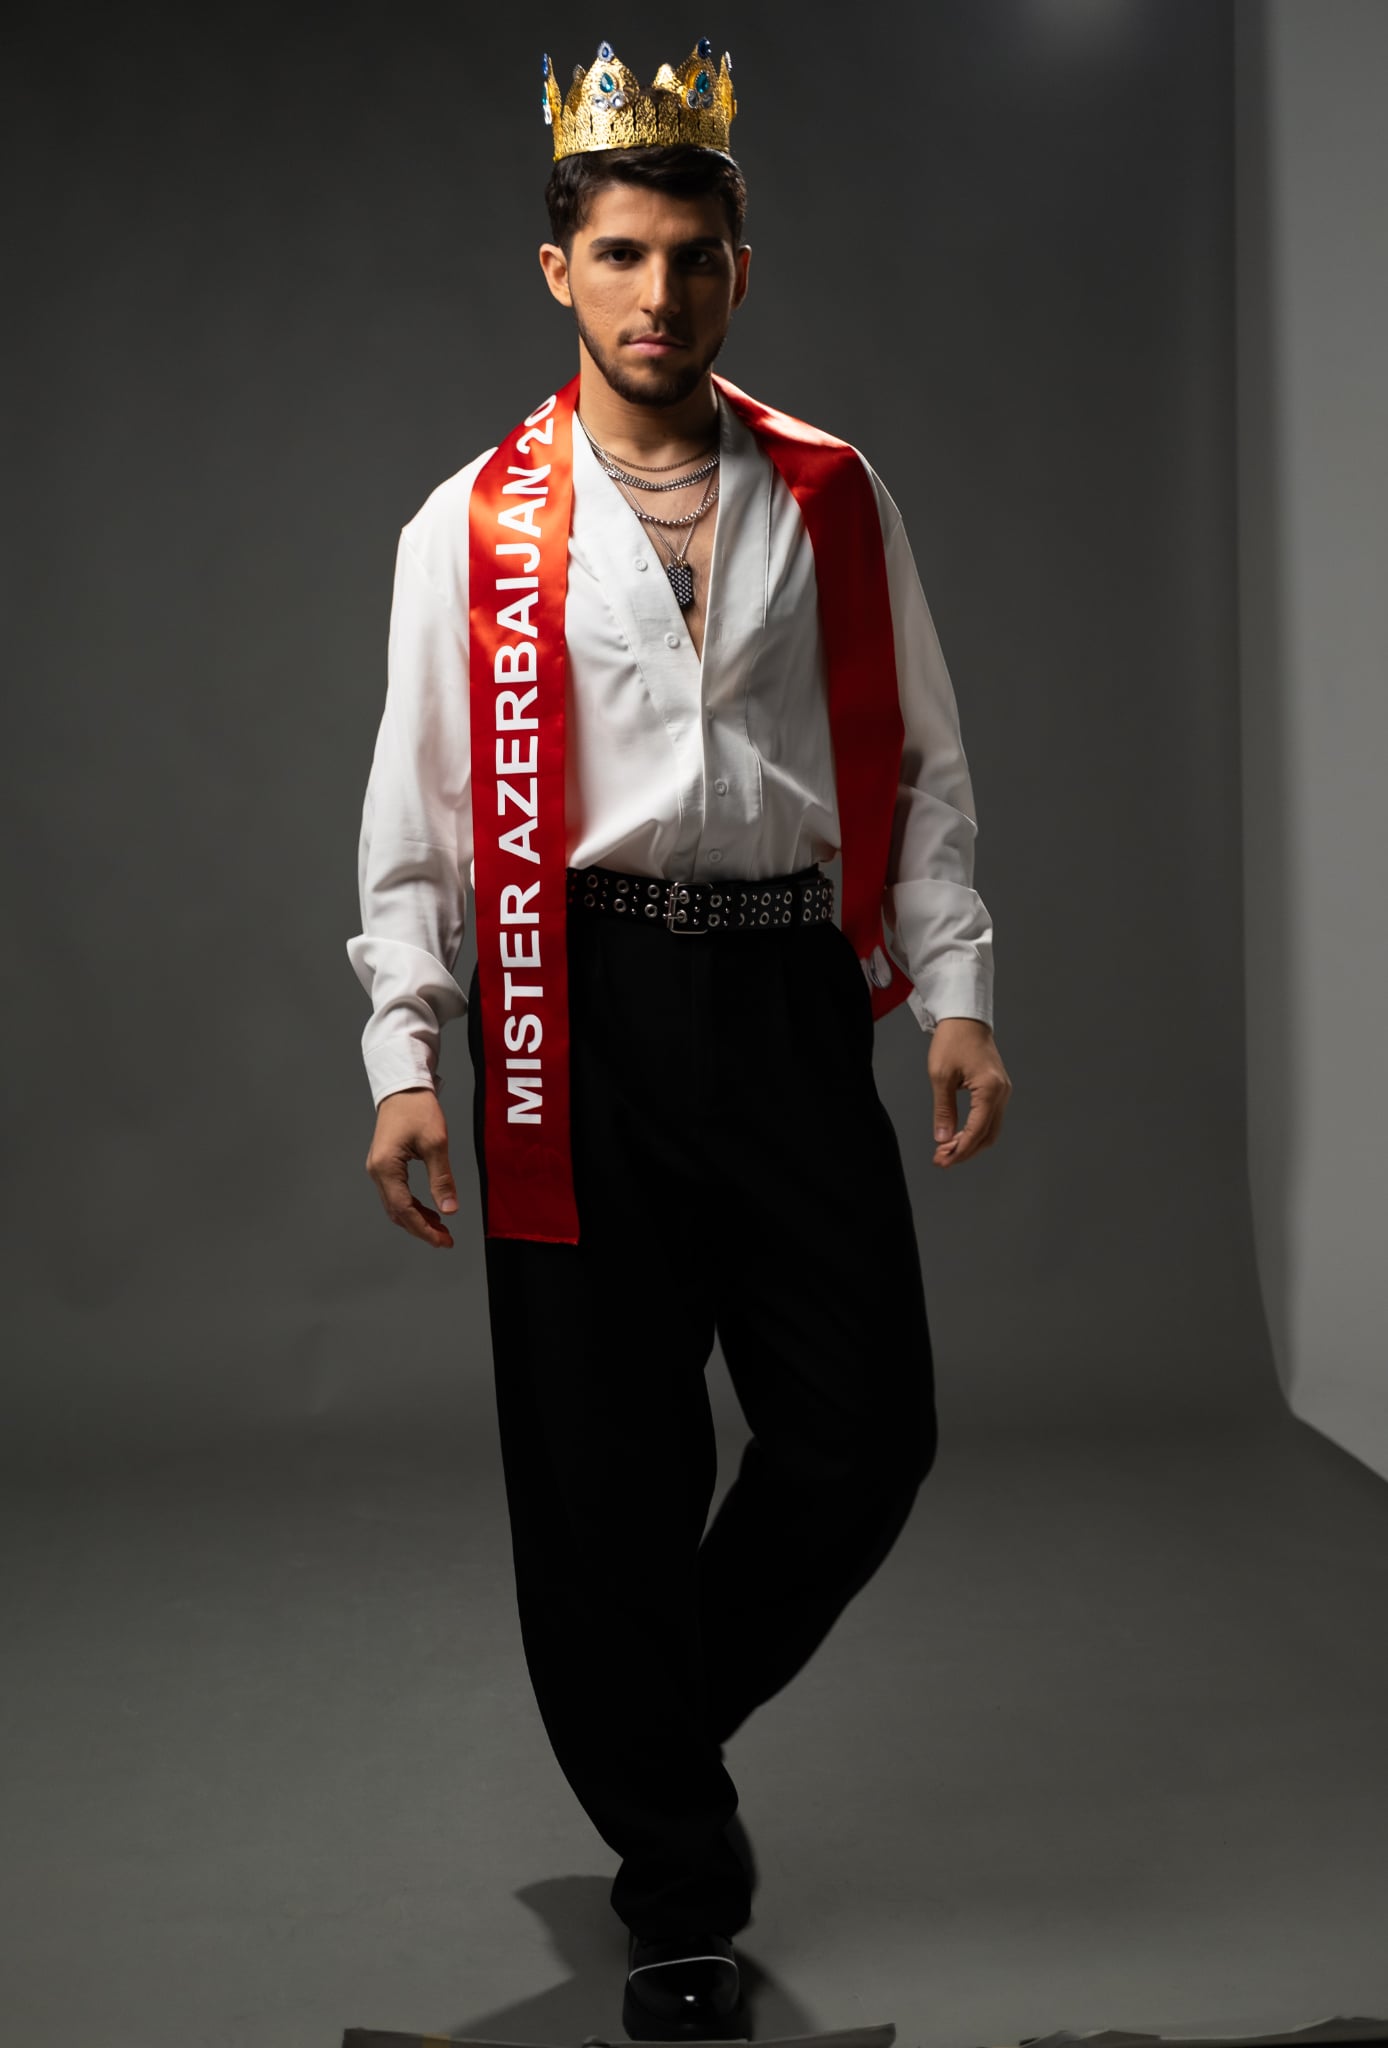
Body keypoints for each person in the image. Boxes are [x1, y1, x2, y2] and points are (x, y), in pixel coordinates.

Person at [347, 35, 1012, 2042]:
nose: (659, 294)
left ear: (740, 266)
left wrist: (956, 989)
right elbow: (416, 815)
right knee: (605, 1464)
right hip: (577, 1006)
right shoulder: (470, 526)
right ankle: (678, 1888)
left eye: (693, 256)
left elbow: (918, 759)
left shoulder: (830, 491)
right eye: (622, 255)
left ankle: (641, 1716)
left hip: (788, 992)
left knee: (863, 1427)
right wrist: (404, 1053)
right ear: (559, 269)